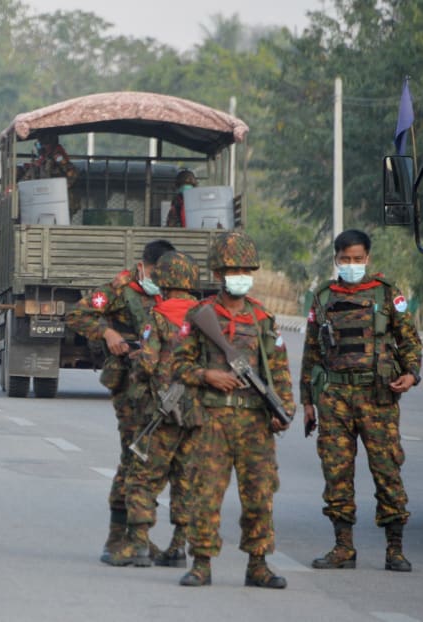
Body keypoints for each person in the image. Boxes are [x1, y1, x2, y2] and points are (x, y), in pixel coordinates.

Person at [173, 231, 293, 588]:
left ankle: (258, 565)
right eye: (231, 269)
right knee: (205, 493)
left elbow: (280, 370)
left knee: (259, 495)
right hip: (213, 420)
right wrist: (206, 374)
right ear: (218, 274)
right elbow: (175, 367)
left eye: (244, 269)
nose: (239, 274)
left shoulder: (262, 319)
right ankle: (201, 563)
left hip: (255, 422)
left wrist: (282, 408)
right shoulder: (200, 316)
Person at [302, 229, 421, 573]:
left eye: (357, 259)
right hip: (334, 397)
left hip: (377, 396)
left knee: (387, 470)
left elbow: (409, 340)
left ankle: (395, 549)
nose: (351, 265)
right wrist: (307, 402)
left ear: (367, 259)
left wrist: (412, 373)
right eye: (345, 259)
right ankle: (343, 547)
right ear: (336, 259)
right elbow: (311, 353)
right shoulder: (323, 297)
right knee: (336, 471)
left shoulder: (387, 294)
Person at [65, 239, 175, 565]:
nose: (161, 278)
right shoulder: (119, 289)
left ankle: (137, 536)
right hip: (129, 384)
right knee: (134, 455)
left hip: (159, 385)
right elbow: (77, 314)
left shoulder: (167, 293)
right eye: (157, 272)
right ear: (144, 266)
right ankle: (118, 538)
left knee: (153, 460)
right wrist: (106, 333)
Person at [120, 251, 203, 568]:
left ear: (164, 281)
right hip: (197, 411)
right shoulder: (207, 315)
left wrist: (136, 364)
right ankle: (179, 547)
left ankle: (139, 545)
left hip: (162, 410)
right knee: (187, 479)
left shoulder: (157, 317)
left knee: (143, 477)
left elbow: (149, 362)